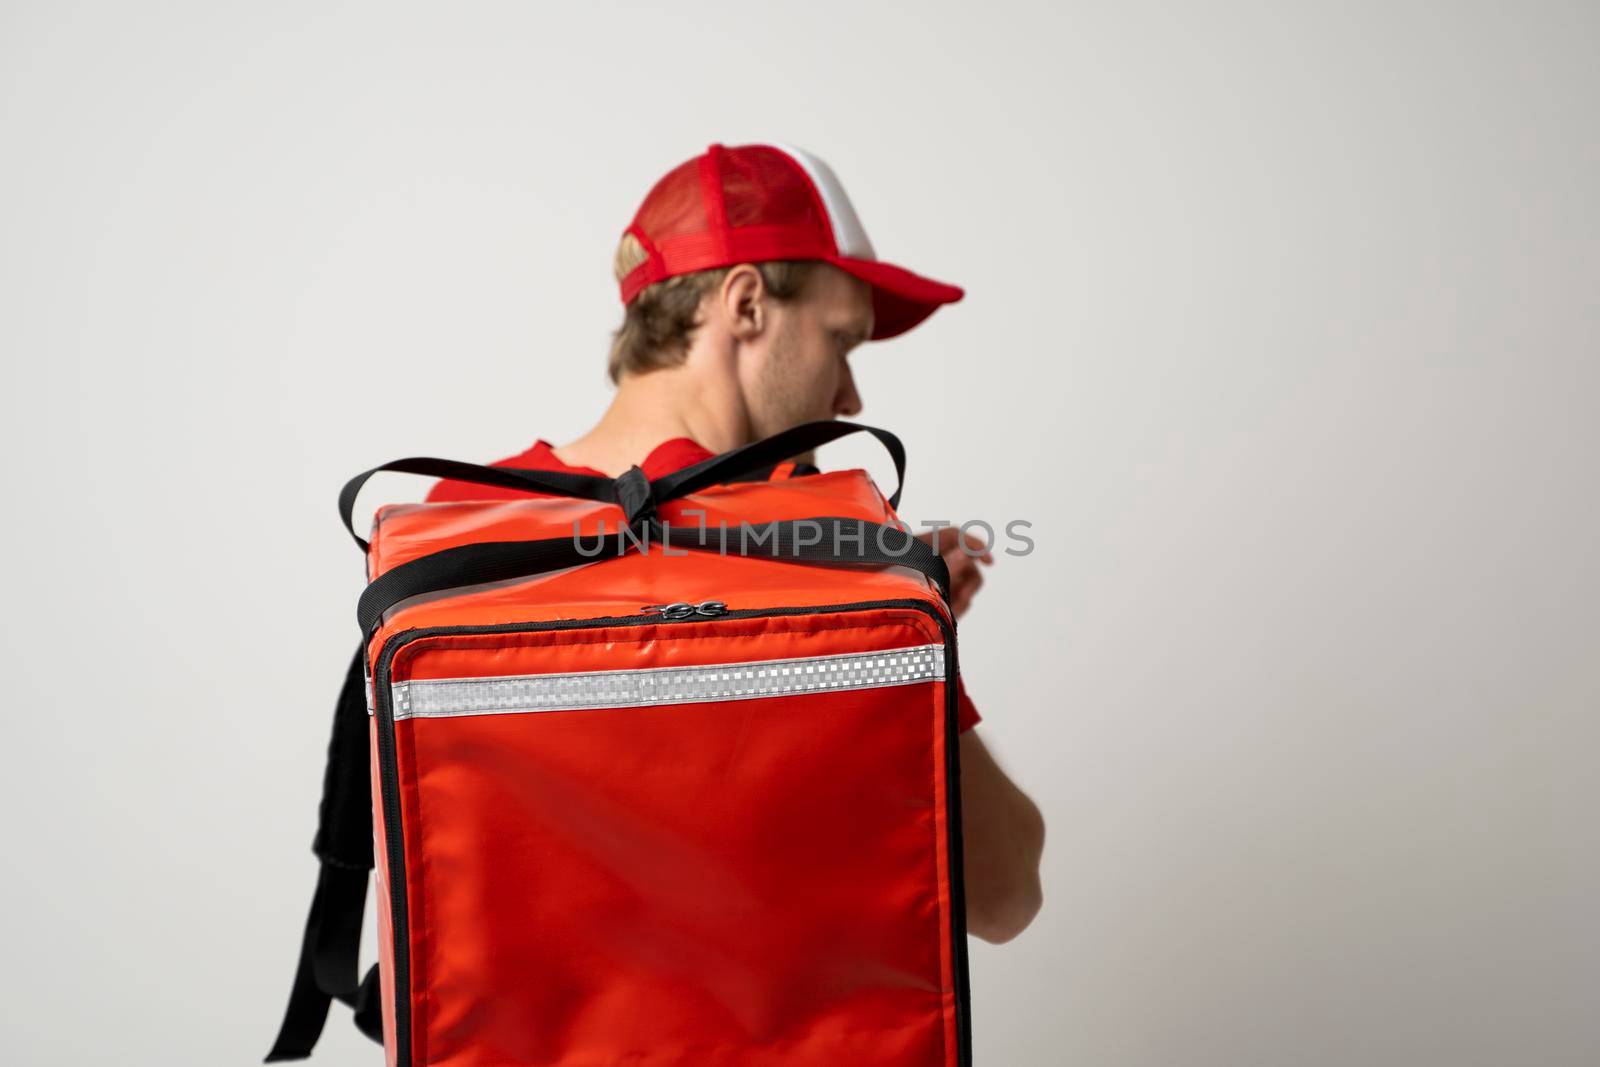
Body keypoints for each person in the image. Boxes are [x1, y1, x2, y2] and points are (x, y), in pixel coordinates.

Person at [427, 142, 1045, 944]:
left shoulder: (459, 522)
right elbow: (1004, 893)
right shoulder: (826, 543)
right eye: (841, 341)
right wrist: (902, 622)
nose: (851, 396)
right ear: (747, 303)